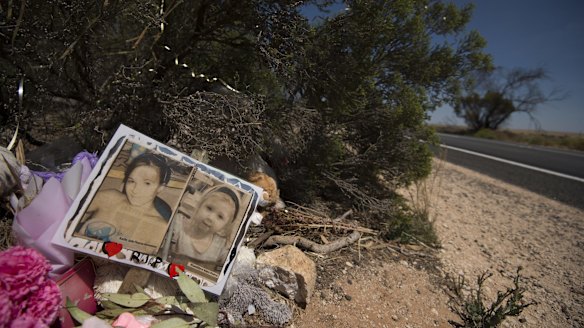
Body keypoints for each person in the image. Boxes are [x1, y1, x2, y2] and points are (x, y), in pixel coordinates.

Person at [79, 152, 172, 249]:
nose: (135, 190)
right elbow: (70, 217)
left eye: (147, 183)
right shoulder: (109, 197)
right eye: (131, 181)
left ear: (160, 188)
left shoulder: (159, 227)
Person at [170, 185, 240, 267]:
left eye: (220, 217)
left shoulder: (220, 247)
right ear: (200, 205)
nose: (210, 218)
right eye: (209, 208)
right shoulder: (177, 224)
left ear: (226, 225)